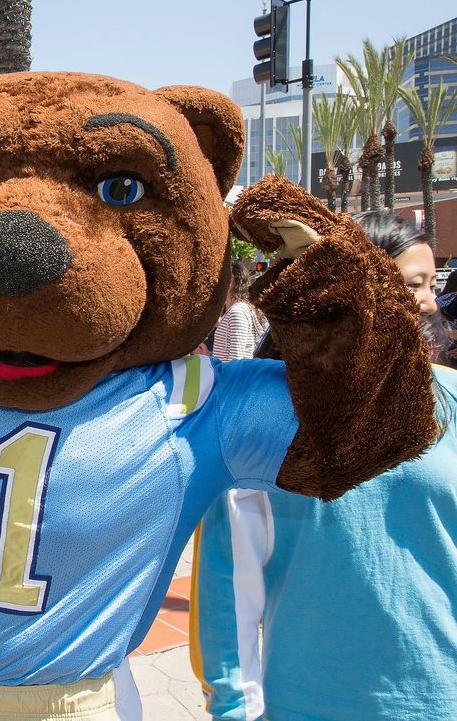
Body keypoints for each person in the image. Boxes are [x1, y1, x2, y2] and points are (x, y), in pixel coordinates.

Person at [192, 209, 456, 720]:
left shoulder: (452, 398)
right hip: (305, 704)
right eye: (411, 284)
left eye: (430, 284)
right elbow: (228, 583)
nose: (428, 302)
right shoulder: (269, 416)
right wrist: (233, 710)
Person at [211, 261, 265, 362]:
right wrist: (207, 354)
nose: (217, 280)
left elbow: (235, 361)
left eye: (224, 276)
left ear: (235, 282)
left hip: (229, 376)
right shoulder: (233, 311)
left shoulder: (238, 312)